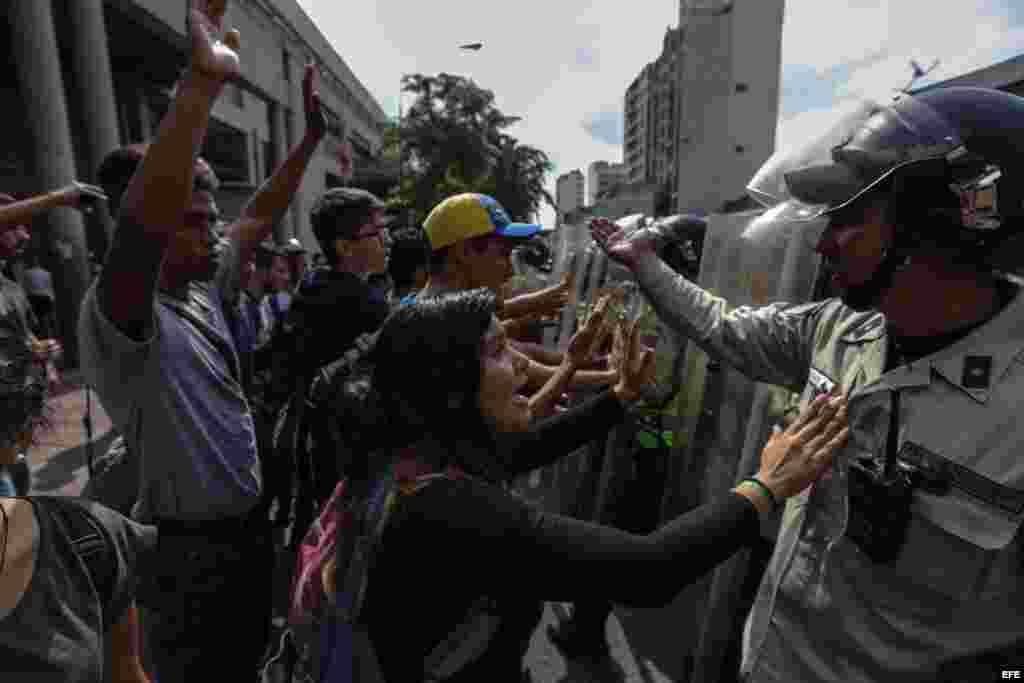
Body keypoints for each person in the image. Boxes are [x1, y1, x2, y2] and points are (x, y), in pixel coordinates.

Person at [590, 86, 1024, 682]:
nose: (823, 242)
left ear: (942, 221)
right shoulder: (837, 329)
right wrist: (645, 263)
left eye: (849, 216)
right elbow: (724, 328)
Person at [349, 288, 849, 681]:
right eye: (498, 352)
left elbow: (527, 449)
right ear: (451, 385)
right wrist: (768, 484)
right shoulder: (449, 512)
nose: (522, 365)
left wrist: (620, 396)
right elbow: (650, 569)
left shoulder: (416, 457)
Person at [77, 1, 327, 678]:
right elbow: (140, 229)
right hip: (185, 557)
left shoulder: (199, 283)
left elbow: (261, 213)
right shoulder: (123, 310)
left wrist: (307, 143)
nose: (213, 232)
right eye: (191, 220)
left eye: (210, 218)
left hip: (245, 538)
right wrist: (197, 91)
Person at [413, 192, 616, 392]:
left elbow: (528, 364)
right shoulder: (441, 331)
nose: (510, 271)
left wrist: (606, 370)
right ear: (465, 252)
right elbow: (534, 375)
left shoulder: (444, 315)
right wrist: (617, 378)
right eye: (503, 254)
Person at [386, 226, 429, 305]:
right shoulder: (418, 305)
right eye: (424, 265)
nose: (428, 270)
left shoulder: (387, 299)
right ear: (417, 271)